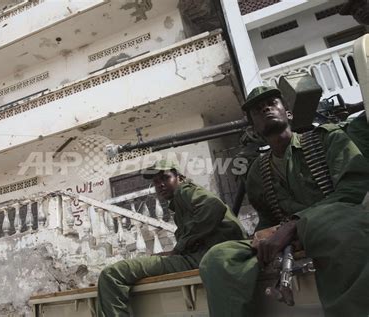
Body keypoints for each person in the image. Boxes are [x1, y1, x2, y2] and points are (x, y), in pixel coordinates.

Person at [199, 86, 369, 317]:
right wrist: (263, 237)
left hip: (333, 225)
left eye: (272, 103)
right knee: (218, 257)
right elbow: (268, 219)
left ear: (288, 113)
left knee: (343, 227)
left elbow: (353, 188)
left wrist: (295, 225)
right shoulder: (258, 171)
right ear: (254, 127)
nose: (266, 108)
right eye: (258, 110)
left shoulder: (326, 139)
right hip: (287, 236)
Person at [96, 159, 246, 316]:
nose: (160, 185)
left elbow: (214, 206)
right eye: (156, 182)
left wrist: (179, 248)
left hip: (206, 257)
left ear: (179, 177)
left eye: (165, 178)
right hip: (202, 257)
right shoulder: (180, 201)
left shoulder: (185, 191)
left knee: (112, 274)